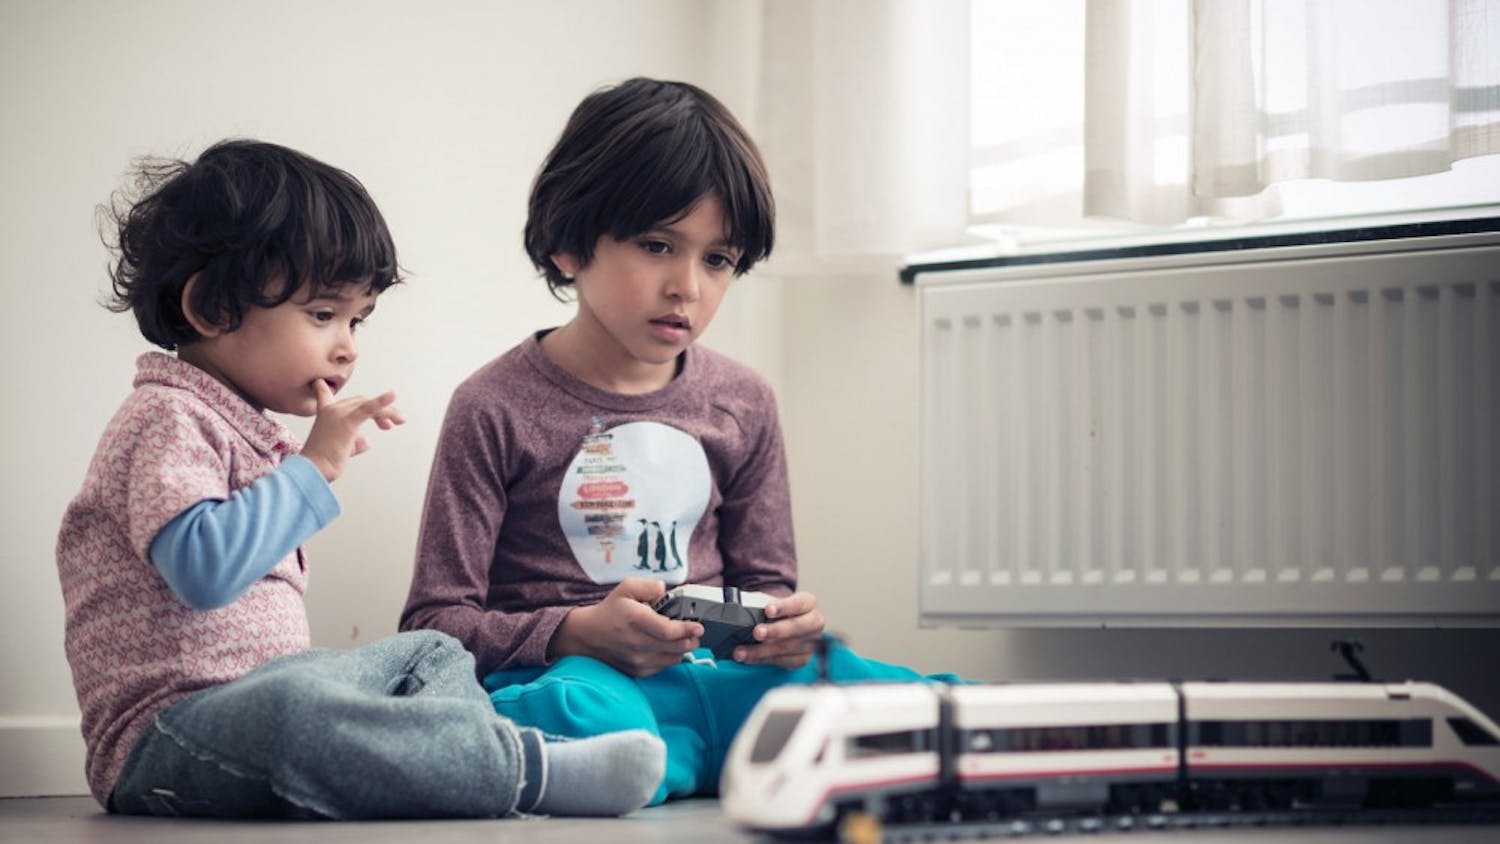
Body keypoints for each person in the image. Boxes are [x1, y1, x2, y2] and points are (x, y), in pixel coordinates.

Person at [55, 139, 664, 820]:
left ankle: (479, 760)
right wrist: (313, 468)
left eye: (357, 319)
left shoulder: (244, 431)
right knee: (296, 710)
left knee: (429, 652)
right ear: (211, 309)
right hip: (165, 738)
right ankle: (526, 770)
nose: (348, 345)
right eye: (323, 315)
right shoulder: (166, 416)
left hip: (268, 698)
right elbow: (202, 571)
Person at [400, 78, 958, 804]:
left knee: (890, 687)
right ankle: (668, 759)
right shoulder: (492, 406)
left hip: (721, 677)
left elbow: (768, 588)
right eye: (658, 245)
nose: (687, 287)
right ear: (570, 245)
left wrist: (786, 627)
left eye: (718, 259)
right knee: (580, 711)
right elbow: (433, 626)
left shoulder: (743, 401)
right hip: (577, 678)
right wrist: (577, 631)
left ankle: (681, 760)